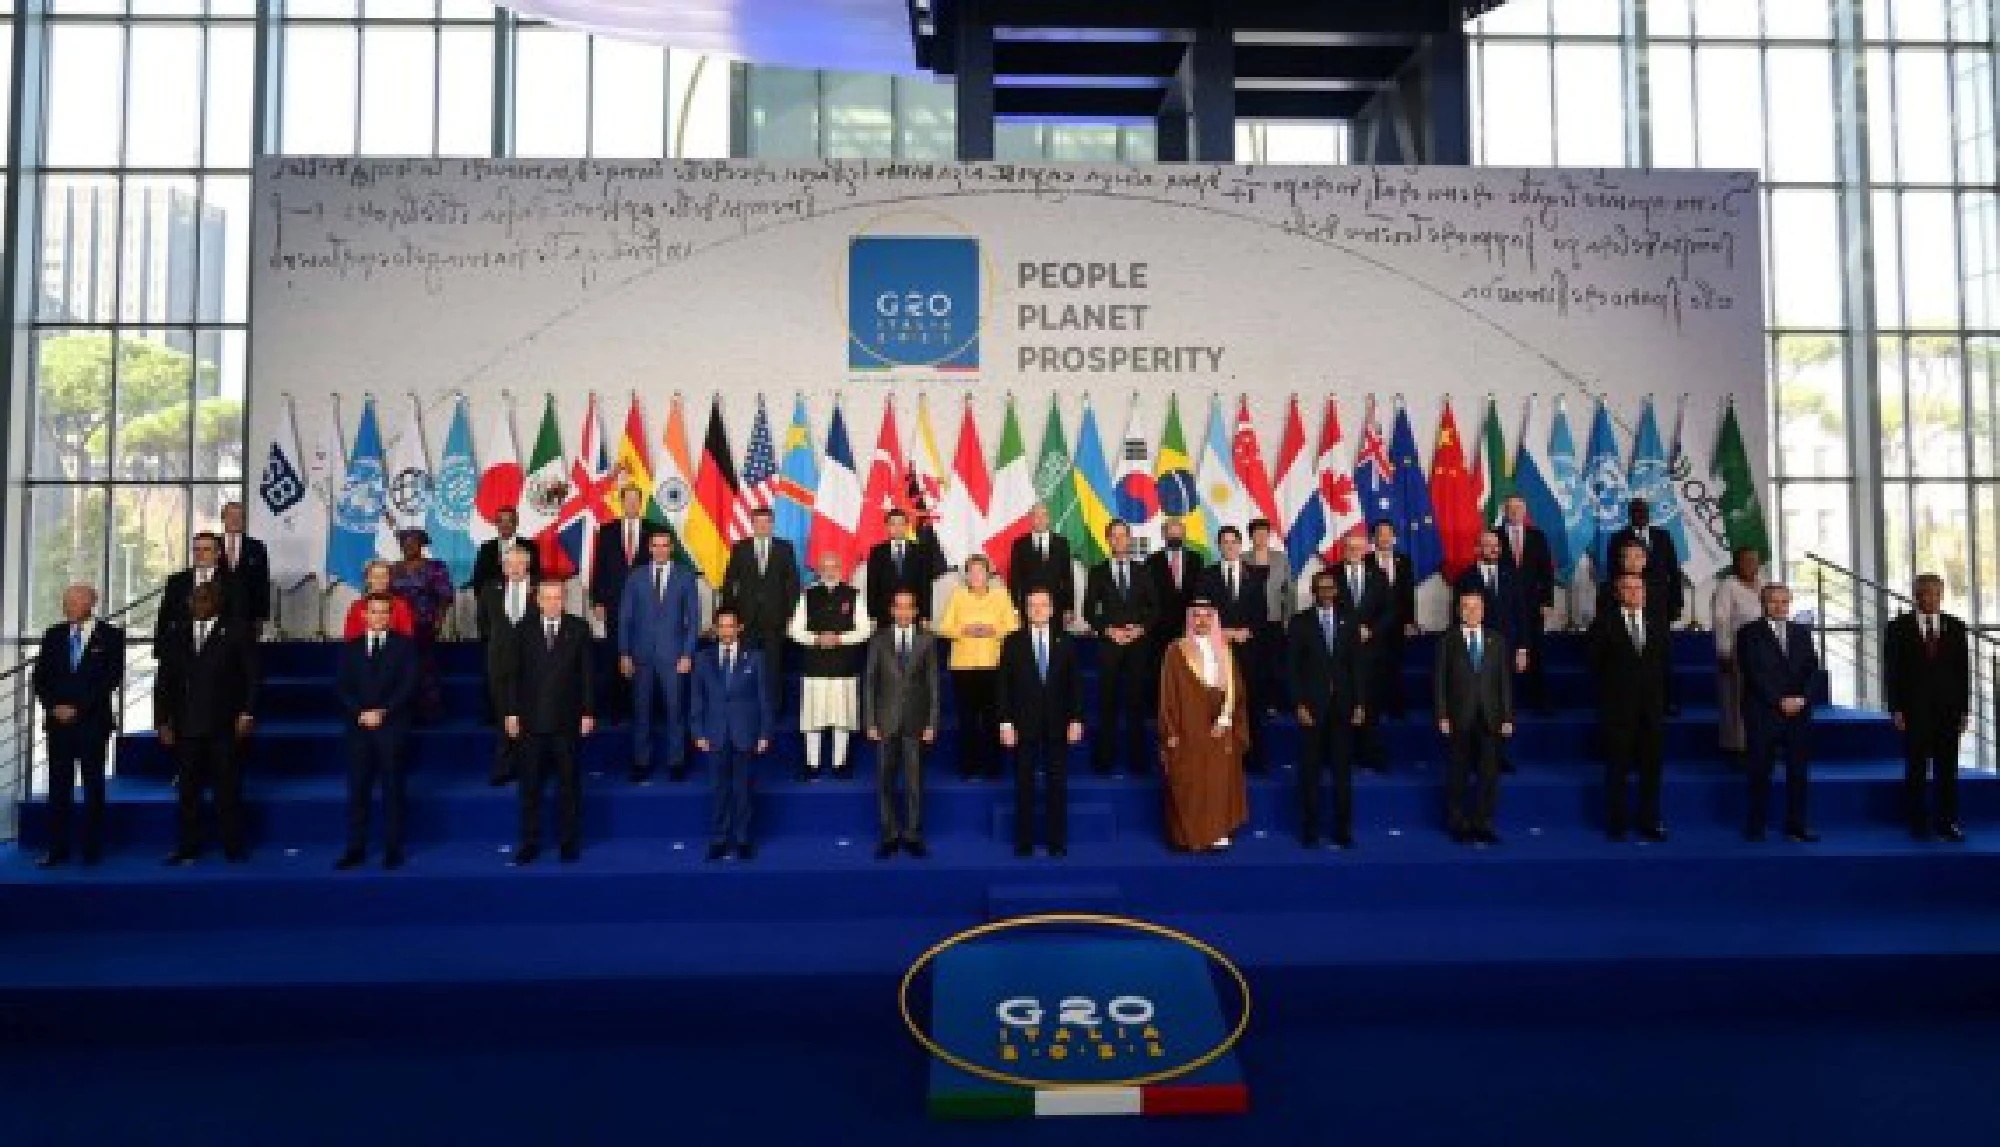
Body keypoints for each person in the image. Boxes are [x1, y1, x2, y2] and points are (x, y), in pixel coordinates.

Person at [157, 581, 258, 864]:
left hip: (224, 723)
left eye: (203, 599)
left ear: (216, 602)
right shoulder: (176, 632)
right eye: (194, 599)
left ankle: (233, 846)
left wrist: (247, 712)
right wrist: (162, 721)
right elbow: (163, 680)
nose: (197, 604)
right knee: (187, 790)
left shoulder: (237, 629)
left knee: (227, 788)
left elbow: (252, 675)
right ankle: (188, 846)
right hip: (186, 724)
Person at [30, 584, 125, 867]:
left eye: (72, 600)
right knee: (58, 789)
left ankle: (91, 849)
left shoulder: (111, 636)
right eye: (65, 599)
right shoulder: (53, 634)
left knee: (93, 787)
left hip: (92, 723)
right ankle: (56, 848)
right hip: (58, 724)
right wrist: (52, 707)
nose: (66, 605)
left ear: (91, 603)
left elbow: (111, 678)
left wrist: (78, 708)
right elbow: (40, 678)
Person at [504, 581, 595, 865]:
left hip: (567, 723)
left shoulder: (578, 628)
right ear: (538, 601)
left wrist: (588, 712)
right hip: (531, 723)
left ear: (563, 600)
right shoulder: (523, 629)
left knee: (569, 787)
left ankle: (569, 842)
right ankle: (530, 842)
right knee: (530, 787)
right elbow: (513, 674)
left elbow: (588, 675)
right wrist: (510, 712)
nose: (554, 603)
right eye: (548, 598)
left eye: (558, 598)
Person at [996, 588, 1084, 858]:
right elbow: (1003, 686)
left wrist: (1076, 719)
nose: (1037, 610)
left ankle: (1056, 843)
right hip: (1024, 726)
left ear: (1052, 609)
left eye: (1043, 605)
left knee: (1057, 786)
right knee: (1024, 785)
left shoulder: (1066, 642)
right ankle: (1024, 844)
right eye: (1032, 605)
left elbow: (1075, 686)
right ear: (1025, 609)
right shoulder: (1012, 642)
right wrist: (1005, 723)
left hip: (1058, 725)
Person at [1159, 598, 1250, 853]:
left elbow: (1236, 689)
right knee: (1190, 779)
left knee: (1220, 778)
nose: (1201, 621)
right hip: (1188, 724)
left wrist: (1225, 718)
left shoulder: (1225, 649)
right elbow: (1168, 693)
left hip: (1220, 723)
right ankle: (1190, 835)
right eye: (1196, 615)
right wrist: (1171, 730)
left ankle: (1217, 831)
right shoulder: (1176, 651)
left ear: (1214, 619)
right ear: (1190, 619)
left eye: (1206, 615)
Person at [1884, 574, 1970, 842]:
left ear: (1942, 595)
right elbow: (1892, 671)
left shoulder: (1956, 627)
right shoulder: (1898, 627)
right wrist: (1896, 709)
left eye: (1936, 593)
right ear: (1916, 595)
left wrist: (1965, 710)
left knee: (1947, 769)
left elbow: (1962, 672)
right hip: (1913, 710)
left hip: (1948, 711)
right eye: (1925, 593)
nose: (1931, 598)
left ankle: (1947, 822)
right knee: (1916, 768)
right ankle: (1918, 822)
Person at [334, 593, 417, 870]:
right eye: (374, 612)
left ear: (390, 616)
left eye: (384, 612)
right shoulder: (350, 648)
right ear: (364, 615)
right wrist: (361, 712)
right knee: (358, 791)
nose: (379, 617)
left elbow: (408, 685)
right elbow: (343, 688)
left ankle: (393, 850)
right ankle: (355, 849)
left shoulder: (405, 646)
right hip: (359, 728)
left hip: (391, 727)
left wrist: (383, 712)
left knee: (393, 790)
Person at [1588, 572, 1670, 842]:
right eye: (1628, 588)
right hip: (1618, 710)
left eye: (1639, 588)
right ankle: (1618, 823)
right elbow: (1594, 664)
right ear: (1618, 593)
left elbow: (1664, 665)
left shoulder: (1658, 622)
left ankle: (1650, 821)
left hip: (1652, 710)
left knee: (1651, 769)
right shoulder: (1604, 624)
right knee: (1617, 769)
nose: (1635, 593)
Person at [1287, 571, 1366, 849]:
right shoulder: (1300, 622)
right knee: (1310, 774)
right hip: (1312, 709)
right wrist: (1298, 704)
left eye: (1330, 588)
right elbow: (1292, 669)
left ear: (1336, 590)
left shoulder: (1350, 620)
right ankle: (1310, 830)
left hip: (1343, 708)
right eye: (1321, 588)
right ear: (1313, 591)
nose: (1326, 592)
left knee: (1343, 774)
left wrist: (1359, 703)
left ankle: (1343, 830)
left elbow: (1357, 665)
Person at [1736, 583, 1819, 843]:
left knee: (1798, 772)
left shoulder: (1801, 633)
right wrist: (1779, 700)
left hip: (1798, 712)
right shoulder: (1748, 633)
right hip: (1763, 711)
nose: (1779, 606)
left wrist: (1803, 698)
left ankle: (1796, 826)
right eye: (1774, 601)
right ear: (1763, 603)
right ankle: (1756, 825)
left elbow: (1812, 669)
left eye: (1784, 601)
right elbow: (1752, 672)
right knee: (1760, 771)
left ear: (1790, 603)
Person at [691, 606, 774, 862]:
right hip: (714, 733)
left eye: (730, 626)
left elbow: (764, 699)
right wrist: (698, 732)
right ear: (715, 629)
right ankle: (719, 839)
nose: (726, 631)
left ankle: (742, 839)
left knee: (743, 790)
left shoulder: (755, 658)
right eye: (721, 626)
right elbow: (696, 699)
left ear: (739, 628)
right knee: (719, 790)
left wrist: (764, 734)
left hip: (745, 733)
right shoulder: (703, 658)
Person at [618, 530, 702, 783]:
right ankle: (641, 761)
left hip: (674, 657)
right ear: (650, 547)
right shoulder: (636, 576)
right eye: (656, 545)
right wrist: (624, 653)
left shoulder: (685, 576)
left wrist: (688, 653)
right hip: (641, 656)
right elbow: (625, 618)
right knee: (642, 712)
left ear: (671, 547)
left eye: (665, 545)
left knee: (675, 712)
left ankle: (676, 762)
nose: (661, 550)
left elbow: (694, 620)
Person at [861, 590, 940, 858]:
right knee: (885, 781)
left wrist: (931, 723)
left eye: (909, 608)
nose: (904, 612)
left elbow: (933, 685)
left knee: (914, 783)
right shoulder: (879, 639)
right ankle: (889, 835)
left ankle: (913, 835)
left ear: (916, 612)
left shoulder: (927, 640)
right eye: (899, 607)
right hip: (885, 722)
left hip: (916, 723)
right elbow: (870, 683)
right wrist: (870, 721)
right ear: (892, 610)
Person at [1433, 586, 1513, 846]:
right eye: (1466, 607)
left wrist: (1507, 717)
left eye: (1476, 607)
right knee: (1458, 773)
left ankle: (1483, 824)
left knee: (1489, 775)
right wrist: (1442, 714)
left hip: (1490, 717)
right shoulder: (1448, 641)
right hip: (1459, 716)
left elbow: (1504, 682)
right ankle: (1458, 824)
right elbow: (1439, 682)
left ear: (1483, 610)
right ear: (1459, 611)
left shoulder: (1497, 641)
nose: (1471, 611)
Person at [1081, 519, 1157, 776]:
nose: (1119, 540)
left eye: (1124, 536)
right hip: (1109, 643)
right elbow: (1089, 610)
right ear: (1109, 540)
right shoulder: (1097, 571)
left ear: (1129, 539)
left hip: (1137, 644)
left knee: (1136, 704)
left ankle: (1137, 762)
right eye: (1114, 536)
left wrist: (1140, 629)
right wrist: (1108, 630)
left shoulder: (1143, 570)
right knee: (1107, 703)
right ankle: (1104, 761)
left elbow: (1154, 608)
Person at [788, 552, 873, 781]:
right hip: (814, 665)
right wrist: (816, 639)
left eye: (834, 565)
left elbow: (865, 629)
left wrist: (839, 639)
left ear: (841, 568)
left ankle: (839, 764)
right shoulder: (807, 596)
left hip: (844, 666)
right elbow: (794, 630)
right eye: (825, 567)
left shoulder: (854, 595)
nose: (830, 570)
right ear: (818, 570)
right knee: (813, 717)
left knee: (842, 717)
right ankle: (812, 764)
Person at [934, 555, 1018, 780]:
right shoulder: (958, 595)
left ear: (989, 573)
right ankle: (968, 767)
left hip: (993, 665)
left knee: (993, 719)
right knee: (967, 721)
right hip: (963, 667)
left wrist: (992, 630)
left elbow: (1013, 626)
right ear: (967, 575)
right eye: (972, 571)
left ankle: (993, 768)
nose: (977, 576)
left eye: (981, 571)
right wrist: (965, 629)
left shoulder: (1001, 596)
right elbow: (943, 627)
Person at [1196, 526, 1268, 772]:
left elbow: (1262, 613)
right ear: (1219, 546)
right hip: (1217, 649)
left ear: (1240, 545)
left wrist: (1245, 632)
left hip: (1248, 648)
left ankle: (1252, 756)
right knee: (1216, 702)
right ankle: (1217, 756)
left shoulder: (1256, 575)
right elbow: (1200, 613)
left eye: (1233, 542)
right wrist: (1221, 633)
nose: (1229, 546)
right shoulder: (1207, 575)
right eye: (1224, 542)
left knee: (1250, 701)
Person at [1605, 498, 1683, 711]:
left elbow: (1673, 572)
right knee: (1631, 654)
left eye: (1643, 511)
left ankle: (1665, 701)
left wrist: (1677, 604)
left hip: (1659, 605)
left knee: (1661, 656)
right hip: (1628, 604)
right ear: (1629, 514)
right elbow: (1612, 573)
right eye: (1636, 511)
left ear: (1649, 513)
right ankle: (1629, 701)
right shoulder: (1617, 538)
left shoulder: (1663, 536)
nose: (1640, 514)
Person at [720, 506, 802, 708]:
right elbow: (730, 583)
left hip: (775, 620)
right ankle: (748, 707)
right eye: (759, 522)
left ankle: (773, 710)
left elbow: (792, 583)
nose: (762, 526)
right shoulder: (740, 548)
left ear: (772, 524)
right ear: (752, 524)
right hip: (746, 621)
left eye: (767, 522)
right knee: (746, 667)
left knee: (774, 668)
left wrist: (792, 615)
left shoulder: (785, 548)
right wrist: (730, 618)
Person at [476, 545, 535, 785]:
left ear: (527, 565)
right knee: (504, 716)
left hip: (534, 663)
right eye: (509, 564)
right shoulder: (490, 589)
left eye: (519, 563)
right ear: (502, 565)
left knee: (531, 715)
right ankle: (504, 765)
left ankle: (530, 766)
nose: (514, 569)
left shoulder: (540, 588)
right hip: (500, 662)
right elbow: (484, 624)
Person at [1335, 531, 1391, 769]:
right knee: (1344, 703)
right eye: (1349, 548)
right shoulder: (1330, 576)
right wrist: (1348, 630)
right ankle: (1344, 754)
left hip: (1371, 650)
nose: (1354, 552)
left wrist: (1372, 630)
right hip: (1341, 652)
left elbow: (1389, 611)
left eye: (1358, 548)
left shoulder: (1378, 576)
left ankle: (1368, 753)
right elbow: (1325, 608)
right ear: (1343, 549)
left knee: (1371, 703)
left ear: (1366, 550)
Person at [1497, 495, 1556, 715]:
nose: (1515, 512)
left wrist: (1547, 600)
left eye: (1519, 508)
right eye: (1511, 509)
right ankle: (1504, 704)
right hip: (1504, 605)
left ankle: (1540, 701)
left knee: (1537, 653)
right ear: (1505, 511)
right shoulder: (1495, 536)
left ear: (1525, 511)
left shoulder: (1537, 536)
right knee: (1504, 653)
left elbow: (1546, 571)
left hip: (1533, 605)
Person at [389, 528, 455, 720]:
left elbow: (445, 595)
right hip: (398, 627)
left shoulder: (435, 567)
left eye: (413, 542)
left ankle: (429, 711)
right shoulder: (393, 569)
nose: (408, 546)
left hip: (424, 625)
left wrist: (439, 620)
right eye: (405, 543)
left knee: (425, 668)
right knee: (400, 668)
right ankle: (402, 709)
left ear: (421, 545)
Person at [1710, 546, 1767, 764]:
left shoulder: (1763, 584)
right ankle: (1736, 745)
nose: (1751, 565)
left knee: (1760, 699)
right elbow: (1721, 620)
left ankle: (1759, 742)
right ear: (1736, 563)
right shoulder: (1727, 586)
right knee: (1735, 699)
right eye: (1746, 561)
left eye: (1754, 561)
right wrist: (1723, 650)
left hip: (1762, 651)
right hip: (1736, 650)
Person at [590, 485, 662, 628]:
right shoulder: (606, 531)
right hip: (613, 602)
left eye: (635, 499)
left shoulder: (654, 531)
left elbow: (660, 567)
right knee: (613, 645)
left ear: (641, 503)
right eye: (628, 499)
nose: (632, 503)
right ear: (621, 502)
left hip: (646, 601)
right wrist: (598, 602)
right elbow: (600, 568)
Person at [1246, 517, 1295, 720]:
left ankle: (1274, 703)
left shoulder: (1281, 558)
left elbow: (1289, 592)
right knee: (1253, 665)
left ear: (1269, 535)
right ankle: (1253, 703)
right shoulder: (1242, 558)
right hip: (1250, 622)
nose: (1261, 537)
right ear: (1251, 536)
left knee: (1274, 666)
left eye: (1264, 533)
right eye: (1257, 533)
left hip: (1275, 620)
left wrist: (1287, 620)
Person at [1370, 518, 1418, 721]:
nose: (1384, 537)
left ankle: (1397, 708)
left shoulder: (1404, 561)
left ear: (1394, 537)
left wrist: (1410, 621)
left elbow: (1408, 594)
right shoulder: (1366, 561)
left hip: (1398, 623)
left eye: (1388, 533)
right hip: (1374, 624)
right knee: (1375, 667)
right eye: (1380, 534)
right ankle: (1376, 708)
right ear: (1374, 538)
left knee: (1396, 666)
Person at [159, 531, 240, 647]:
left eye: (206, 549)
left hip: (221, 656)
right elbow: (164, 619)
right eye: (196, 549)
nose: (200, 554)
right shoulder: (176, 582)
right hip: (181, 655)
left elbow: (239, 622)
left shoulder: (234, 584)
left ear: (218, 554)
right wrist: (160, 652)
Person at [865, 509, 943, 625]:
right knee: (886, 643)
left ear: (906, 526)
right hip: (885, 614)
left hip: (912, 612)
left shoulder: (920, 551)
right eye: (893, 524)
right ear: (887, 527)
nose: (897, 527)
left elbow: (925, 585)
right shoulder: (877, 552)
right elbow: (872, 585)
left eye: (901, 523)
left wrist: (925, 615)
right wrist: (872, 615)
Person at [1007, 502, 1075, 623]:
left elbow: (1067, 578)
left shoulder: (1062, 543)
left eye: (1044, 515)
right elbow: (1014, 579)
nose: (1040, 519)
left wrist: (1069, 607)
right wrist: (1015, 609)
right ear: (1030, 519)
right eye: (1036, 515)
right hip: (1029, 607)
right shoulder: (1019, 544)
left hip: (1056, 607)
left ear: (1048, 518)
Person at [1146, 515, 1205, 644]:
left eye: (1178, 534)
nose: (1174, 538)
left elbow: (1199, 591)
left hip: (1189, 624)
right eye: (1171, 533)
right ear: (1164, 535)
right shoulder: (1151, 561)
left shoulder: (1196, 559)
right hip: (1159, 627)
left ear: (1184, 535)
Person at [219, 501, 271, 634]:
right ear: (223, 519)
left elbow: (263, 583)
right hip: (216, 616)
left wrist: (261, 618)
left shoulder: (257, 547)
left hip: (248, 617)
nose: (235, 520)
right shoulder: (212, 545)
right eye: (231, 516)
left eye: (239, 517)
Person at [467, 505, 541, 598]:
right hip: (492, 599)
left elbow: (536, 574)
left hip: (523, 597)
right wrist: (482, 599)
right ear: (496, 524)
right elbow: (478, 577)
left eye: (509, 521)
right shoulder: (486, 548)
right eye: (501, 521)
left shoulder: (530, 546)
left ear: (516, 523)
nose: (505, 525)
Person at [341, 559, 417, 639]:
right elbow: (350, 638)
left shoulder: (401, 606)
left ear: (389, 579)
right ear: (367, 579)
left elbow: (407, 638)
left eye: (384, 576)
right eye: (375, 576)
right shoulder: (356, 607)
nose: (379, 580)